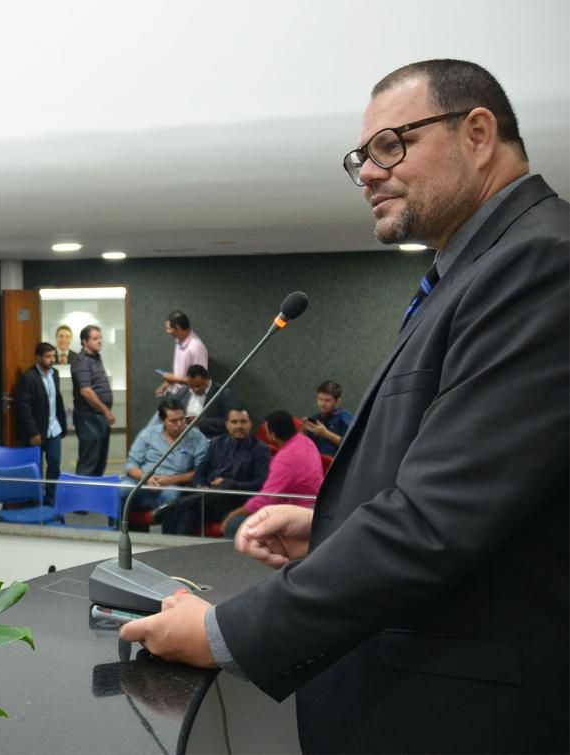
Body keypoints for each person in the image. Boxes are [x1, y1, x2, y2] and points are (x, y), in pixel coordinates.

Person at [120, 59, 569, 753]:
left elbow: (435, 518)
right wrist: (327, 522)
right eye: (360, 156)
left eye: (392, 145)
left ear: (477, 133)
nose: (366, 171)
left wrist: (221, 631)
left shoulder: (538, 263)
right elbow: (473, 486)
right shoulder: (477, 267)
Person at [220, 410, 321, 539]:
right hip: (315, 506)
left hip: (299, 512)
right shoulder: (306, 441)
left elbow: (265, 500)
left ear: (273, 435)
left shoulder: (285, 459)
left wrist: (232, 515)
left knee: (235, 524)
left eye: (266, 431)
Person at [125, 399, 207, 534]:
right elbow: (131, 464)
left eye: (182, 419)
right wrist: (146, 478)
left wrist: (172, 480)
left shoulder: (197, 438)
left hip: (171, 485)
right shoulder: (148, 434)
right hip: (143, 482)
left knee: (172, 494)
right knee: (123, 491)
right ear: (162, 421)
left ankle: (166, 538)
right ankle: (120, 534)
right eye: (173, 421)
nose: (180, 424)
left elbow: (201, 471)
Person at [185, 407, 271, 533]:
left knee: (188, 505)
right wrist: (202, 487)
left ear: (250, 424)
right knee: (185, 515)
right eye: (234, 422)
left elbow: (261, 482)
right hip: (209, 499)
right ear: (227, 425)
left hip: (235, 500)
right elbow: (199, 474)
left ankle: (172, 506)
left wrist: (232, 485)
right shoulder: (216, 444)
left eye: (243, 422)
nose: (239, 426)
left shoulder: (260, 449)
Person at [12, 342, 66, 504]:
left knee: (55, 462)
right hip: (37, 431)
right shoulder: (28, 378)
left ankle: (51, 495)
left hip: (54, 428)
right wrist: (33, 432)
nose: (51, 360)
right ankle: (34, 497)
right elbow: (24, 408)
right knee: (35, 466)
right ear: (38, 358)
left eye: (53, 356)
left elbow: (56, 400)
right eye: (48, 357)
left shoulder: (54, 374)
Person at [70, 325, 114, 476]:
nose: (100, 341)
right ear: (84, 341)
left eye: (100, 338)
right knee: (89, 462)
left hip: (99, 417)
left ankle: (95, 496)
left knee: (99, 461)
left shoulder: (95, 358)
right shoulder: (82, 361)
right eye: (95, 339)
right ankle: (82, 497)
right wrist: (105, 410)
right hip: (89, 418)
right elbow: (86, 392)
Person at [171, 364, 234, 439]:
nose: (195, 390)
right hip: (183, 438)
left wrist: (201, 422)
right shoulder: (183, 392)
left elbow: (231, 422)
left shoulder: (222, 393)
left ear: (207, 379)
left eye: (198, 386)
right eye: (191, 386)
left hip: (209, 439)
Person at [155, 311, 208, 397]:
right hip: (177, 393)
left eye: (168, 328)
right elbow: (181, 372)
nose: (167, 332)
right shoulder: (179, 340)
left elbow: (200, 381)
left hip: (189, 398)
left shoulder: (196, 348)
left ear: (178, 328)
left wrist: (174, 379)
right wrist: (168, 383)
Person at [301, 380, 353, 456]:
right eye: (320, 399)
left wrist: (326, 433)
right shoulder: (315, 418)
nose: (322, 404)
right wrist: (303, 431)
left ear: (337, 402)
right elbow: (304, 447)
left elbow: (352, 445)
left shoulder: (345, 417)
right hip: (316, 462)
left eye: (327, 400)